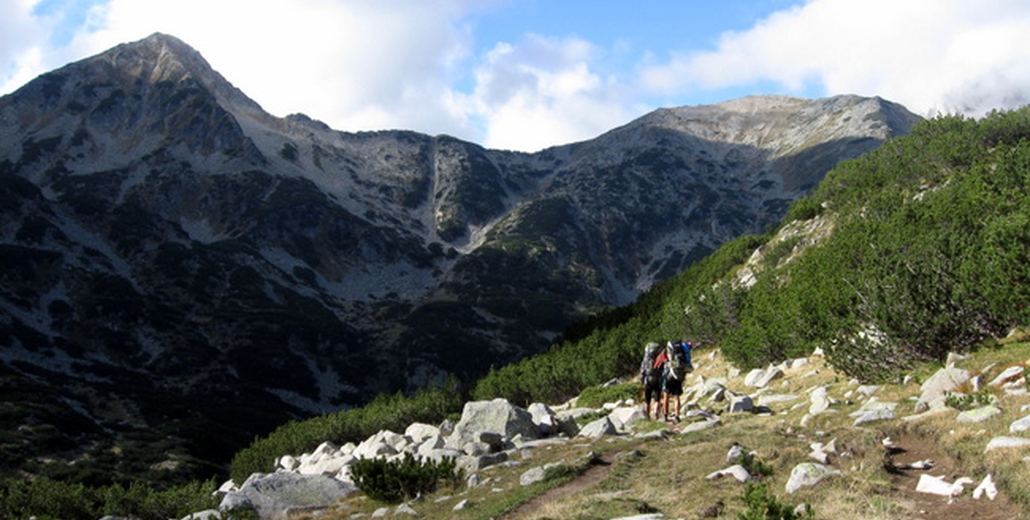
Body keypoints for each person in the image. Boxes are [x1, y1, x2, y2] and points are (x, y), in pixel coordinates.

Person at [639, 342, 664, 420]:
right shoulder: (660, 358)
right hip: (658, 379)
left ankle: (647, 416)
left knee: (647, 400)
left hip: (648, 380)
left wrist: (642, 380)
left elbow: (642, 370)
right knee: (657, 398)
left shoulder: (646, 359)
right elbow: (663, 369)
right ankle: (656, 412)